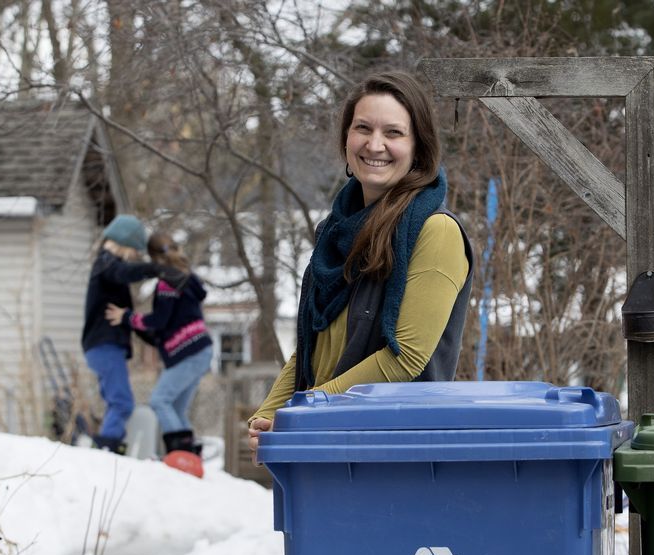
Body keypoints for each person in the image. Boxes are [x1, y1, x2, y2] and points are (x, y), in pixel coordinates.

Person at [247, 71, 474, 460]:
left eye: (394, 133)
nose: (375, 144)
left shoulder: (435, 233)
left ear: (419, 147)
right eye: (363, 128)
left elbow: (407, 358)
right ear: (346, 140)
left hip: (394, 453)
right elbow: (311, 345)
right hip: (328, 444)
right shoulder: (334, 235)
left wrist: (310, 408)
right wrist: (270, 412)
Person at [82, 215, 184, 453]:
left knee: (115, 402)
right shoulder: (107, 264)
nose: (135, 257)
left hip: (105, 347)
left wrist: (155, 339)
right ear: (124, 244)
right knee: (122, 403)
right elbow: (124, 272)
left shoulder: (107, 268)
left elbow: (126, 317)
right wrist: (159, 269)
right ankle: (107, 449)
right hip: (104, 346)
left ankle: (109, 446)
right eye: (134, 252)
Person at [105, 232, 213, 456]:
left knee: (159, 400)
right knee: (176, 408)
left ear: (153, 257)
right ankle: (190, 455)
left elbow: (159, 321)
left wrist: (127, 317)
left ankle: (181, 453)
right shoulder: (187, 276)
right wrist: (136, 325)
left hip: (188, 352)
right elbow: (165, 327)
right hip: (200, 349)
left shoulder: (167, 283)